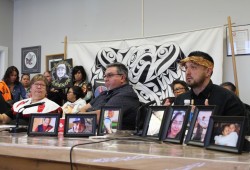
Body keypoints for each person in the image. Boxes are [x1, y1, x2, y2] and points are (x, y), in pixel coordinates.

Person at [174, 51, 246, 118]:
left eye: (193, 67)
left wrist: (212, 121)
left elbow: (237, 130)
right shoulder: (180, 100)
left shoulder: (228, 99)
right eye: (186, 68)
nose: (187, 72)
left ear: (208, 71)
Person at [80, 62, 140, 130]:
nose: (105, 79)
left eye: (110, 75)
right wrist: (82, 115)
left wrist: (79, 116)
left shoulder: (126, 94)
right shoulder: (104, 93)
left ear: (122, 78)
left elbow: (102, 117)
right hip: (92, 133)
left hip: (115, 138)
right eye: (105, 76)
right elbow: (83, 109)